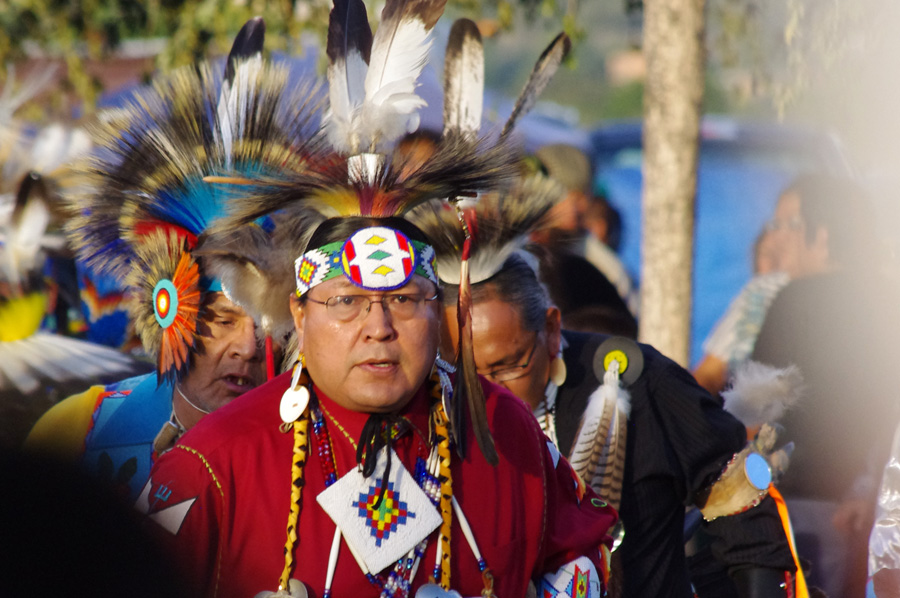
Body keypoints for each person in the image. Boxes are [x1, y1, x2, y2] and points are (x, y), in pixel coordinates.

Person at [140, 7, 616, 597]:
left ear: (436, 308)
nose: (379, 327)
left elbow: (582, 554)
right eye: (346, 302)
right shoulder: (215, 462)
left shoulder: (504, 434)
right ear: (299, 314)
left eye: (404, 301)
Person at [412, 177, 798, 597]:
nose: (489, 391)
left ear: (552, 330)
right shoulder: (429, 411)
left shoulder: (641, 381)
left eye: (509, 366)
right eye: (467, 373)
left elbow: (739, 502)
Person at [24, 19, 286, 502]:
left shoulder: (306, 453)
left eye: (267, 328)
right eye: (222, 319)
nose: (248, 347)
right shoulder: (82, 429)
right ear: (168, 312)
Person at [751, 175, 900, 598]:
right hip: (870, 505)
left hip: (797, 501)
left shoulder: (794, 300)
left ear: (824, 234)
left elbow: (755, 406)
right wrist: (868, 486)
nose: (784, 241)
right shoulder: (889, 299)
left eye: (794, 229)